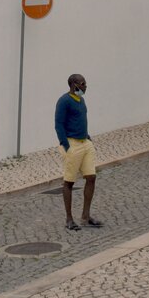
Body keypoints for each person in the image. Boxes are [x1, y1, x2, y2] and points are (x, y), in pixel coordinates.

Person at [55, 73, 103, 231]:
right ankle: (69, 219)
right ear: (73, 85)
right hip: (72, 144)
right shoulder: (64, 101)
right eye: (82, 84)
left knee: (91, 177)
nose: (85, 87)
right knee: (69, 182)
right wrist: (66, 146)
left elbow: (81, 120)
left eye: (85, 84)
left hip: (85, 142)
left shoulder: (81, 100)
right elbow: (59, 124)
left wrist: (88, 138)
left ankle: (86, 215)